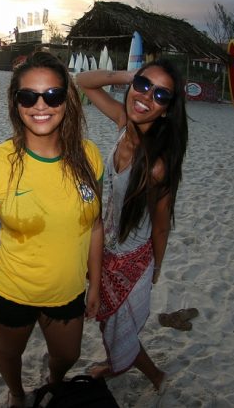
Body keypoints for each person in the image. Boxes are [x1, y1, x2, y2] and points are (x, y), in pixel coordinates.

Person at [0, 51, 104, 408]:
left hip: (68, 290)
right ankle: (16, 392)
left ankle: (54, 381)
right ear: (15, 104)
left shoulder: (90, 156)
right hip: (9, 289)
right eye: (28, 96)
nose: (40, 105)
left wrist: (96, 282)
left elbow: (96, 224)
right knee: (9, 354)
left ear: (67, 100)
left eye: (53, 95)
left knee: (68, 355)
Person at [76, 60, 188, 392]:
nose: (146, 96)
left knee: (116, 326)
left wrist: (154, 270)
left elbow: (161, 227)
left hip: (131, 259)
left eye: (160, 94)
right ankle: (116, 363)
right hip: (106, 245)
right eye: (143, 85)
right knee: (107, 322)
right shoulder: (126, 122)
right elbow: (84, 81)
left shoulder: (156, 167)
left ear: (167, 110)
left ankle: (155, 376)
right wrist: (130, 77)